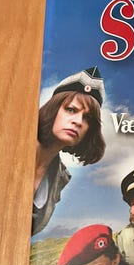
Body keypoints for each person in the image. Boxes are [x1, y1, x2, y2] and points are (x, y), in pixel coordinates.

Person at [33, 67, 106, 235]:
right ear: (53, 109)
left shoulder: (60, 178)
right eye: (71, 110)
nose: (78, 121)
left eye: (87, 118)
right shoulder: (12, 146)